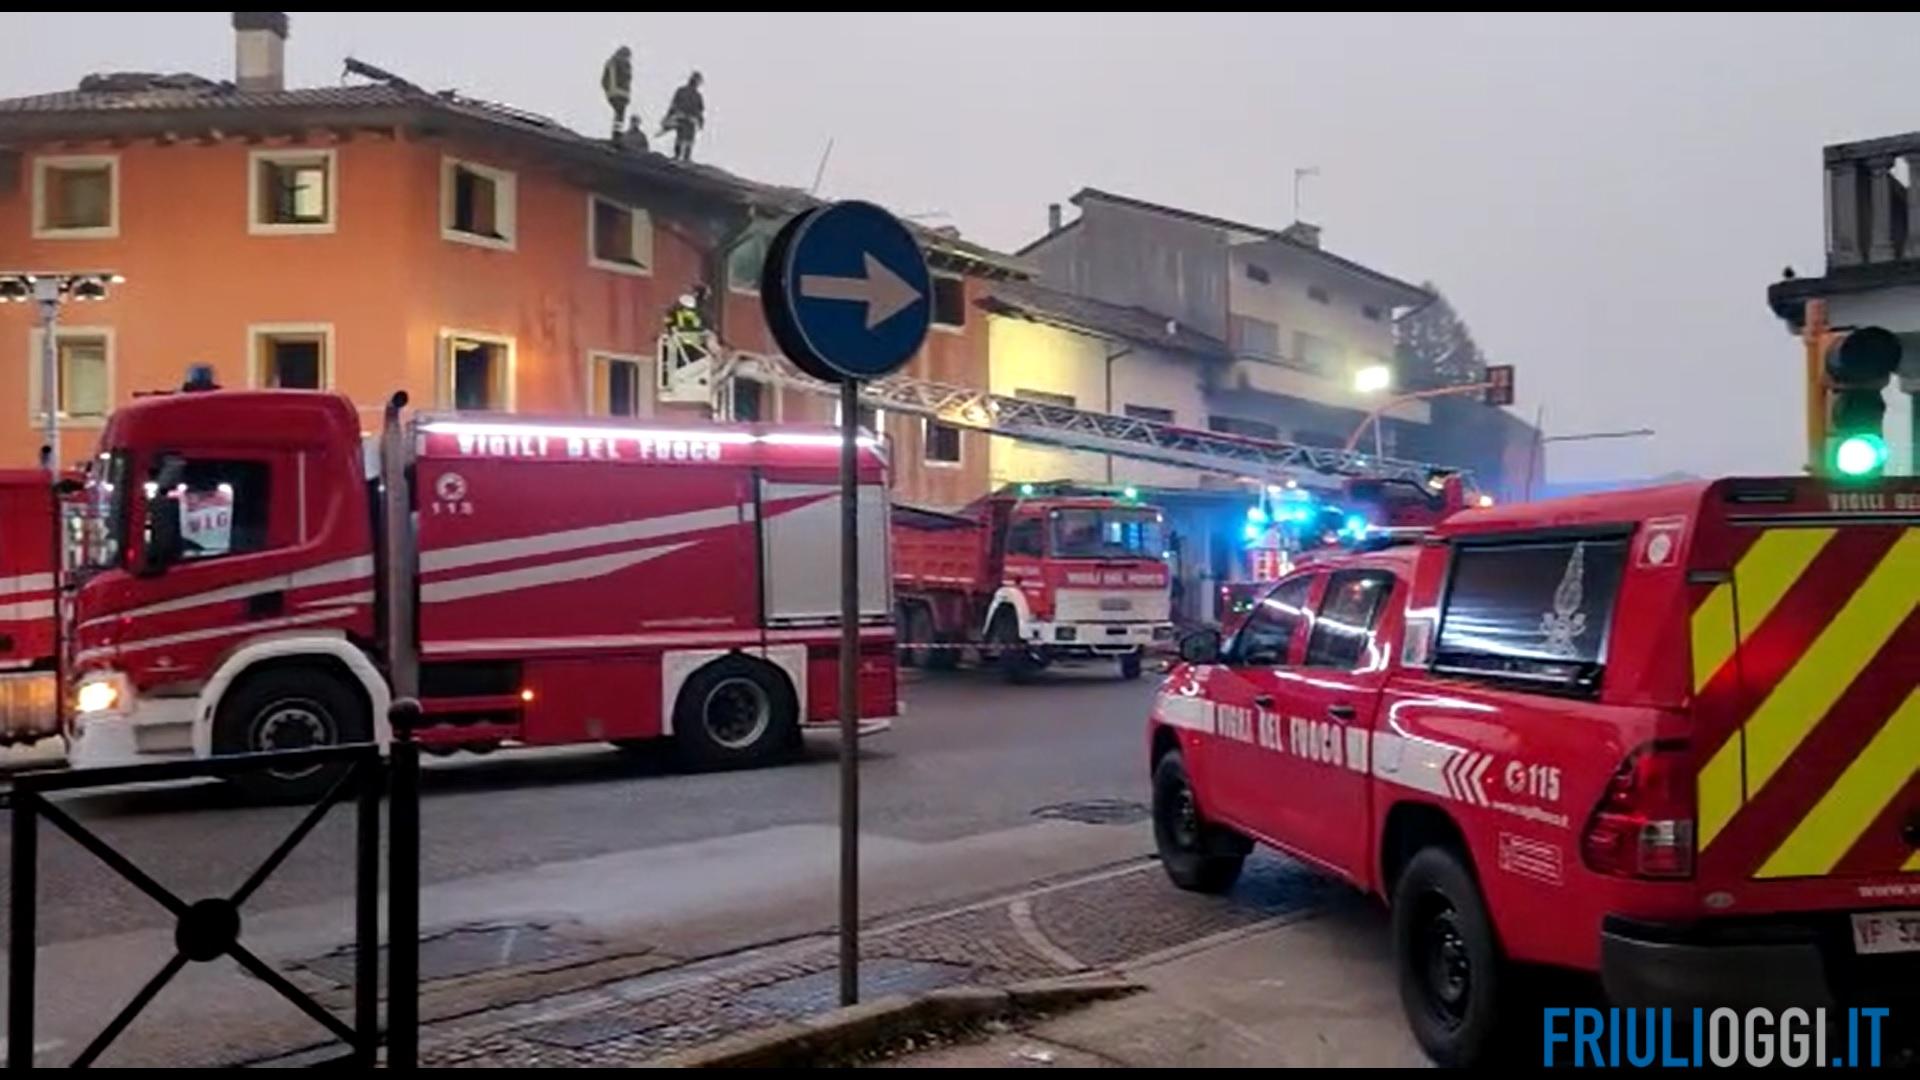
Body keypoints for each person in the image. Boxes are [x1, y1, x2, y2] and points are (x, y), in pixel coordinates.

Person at [660, 71, 705, 162]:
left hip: (687, 120)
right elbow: (674, 105)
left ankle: (683, 157)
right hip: (683, 119)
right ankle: (681, 157)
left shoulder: (693, 94)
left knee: (686, 139)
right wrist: (668, 117)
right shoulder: (686, 92)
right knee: (683, 138)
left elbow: (699, 112)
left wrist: (700, 122)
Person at [601, 46, 633, 139]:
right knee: (619, 115)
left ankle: (617, 134)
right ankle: (616, 135)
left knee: (620, 115)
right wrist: (611, 90)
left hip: (622, 95)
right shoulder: (614, 62)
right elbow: (608, 79)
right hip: (617, 93)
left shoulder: (627, 65)